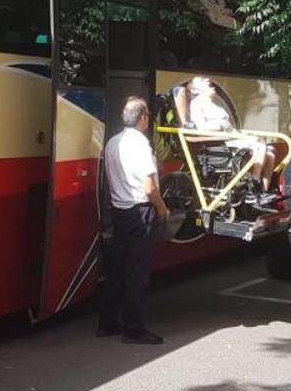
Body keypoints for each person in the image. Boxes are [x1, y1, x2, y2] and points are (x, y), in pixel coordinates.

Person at [99, 97, 169, 345]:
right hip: (140, 212)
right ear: (143, 118)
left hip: (120, 210)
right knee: (137, 273)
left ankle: (107, 323)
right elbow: (150, 187)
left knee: (117, 268)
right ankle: (133, 329)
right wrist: (162, 208)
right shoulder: (140, 145)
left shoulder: (112, 143)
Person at [183, 77, 279, 199]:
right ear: (196, 89)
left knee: (270, 155)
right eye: (202, 81)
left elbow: (230, 128)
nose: (207, 80)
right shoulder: (196, 105)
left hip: (230, 138)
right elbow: (202, 128)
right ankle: (253, 186)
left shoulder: (215, 105)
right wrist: (222, 128)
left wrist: (244, 136)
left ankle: (264, 191)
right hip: (219, 142)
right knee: (261, 147)